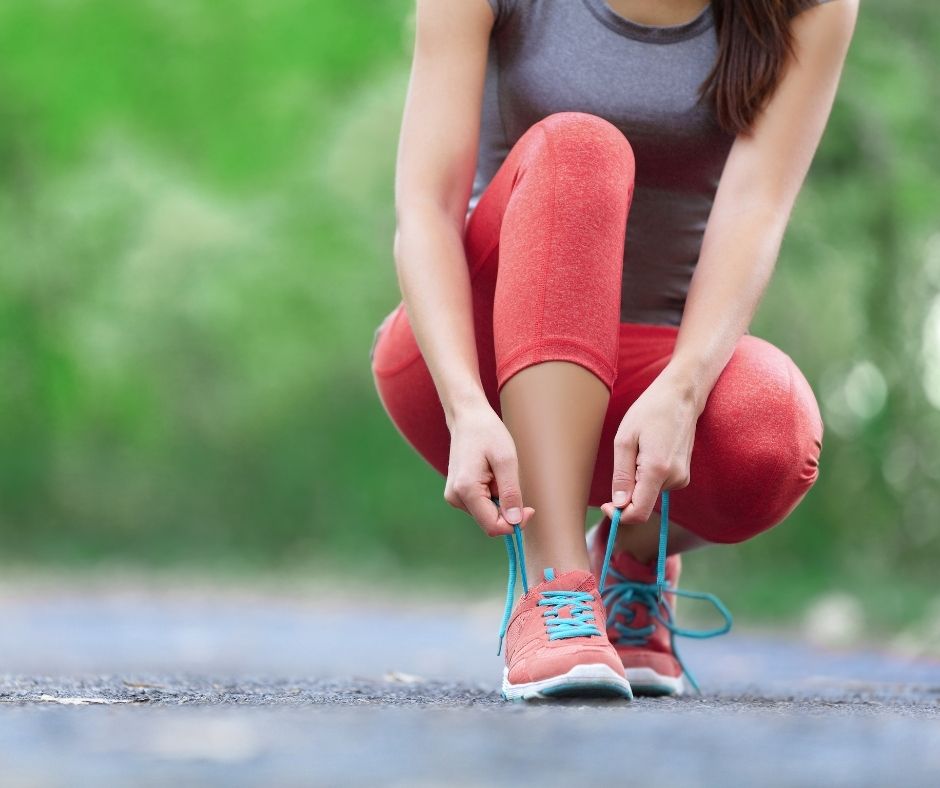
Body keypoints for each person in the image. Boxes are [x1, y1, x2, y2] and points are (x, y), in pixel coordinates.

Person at [370, 0, 858, 701]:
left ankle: (628, 559)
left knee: (773, 430)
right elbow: (425, 208)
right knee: (579, 147)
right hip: (474, 361)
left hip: (648, 380)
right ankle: (555, 589)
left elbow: (757, 206)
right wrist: (464, 405)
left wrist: (685, 389)